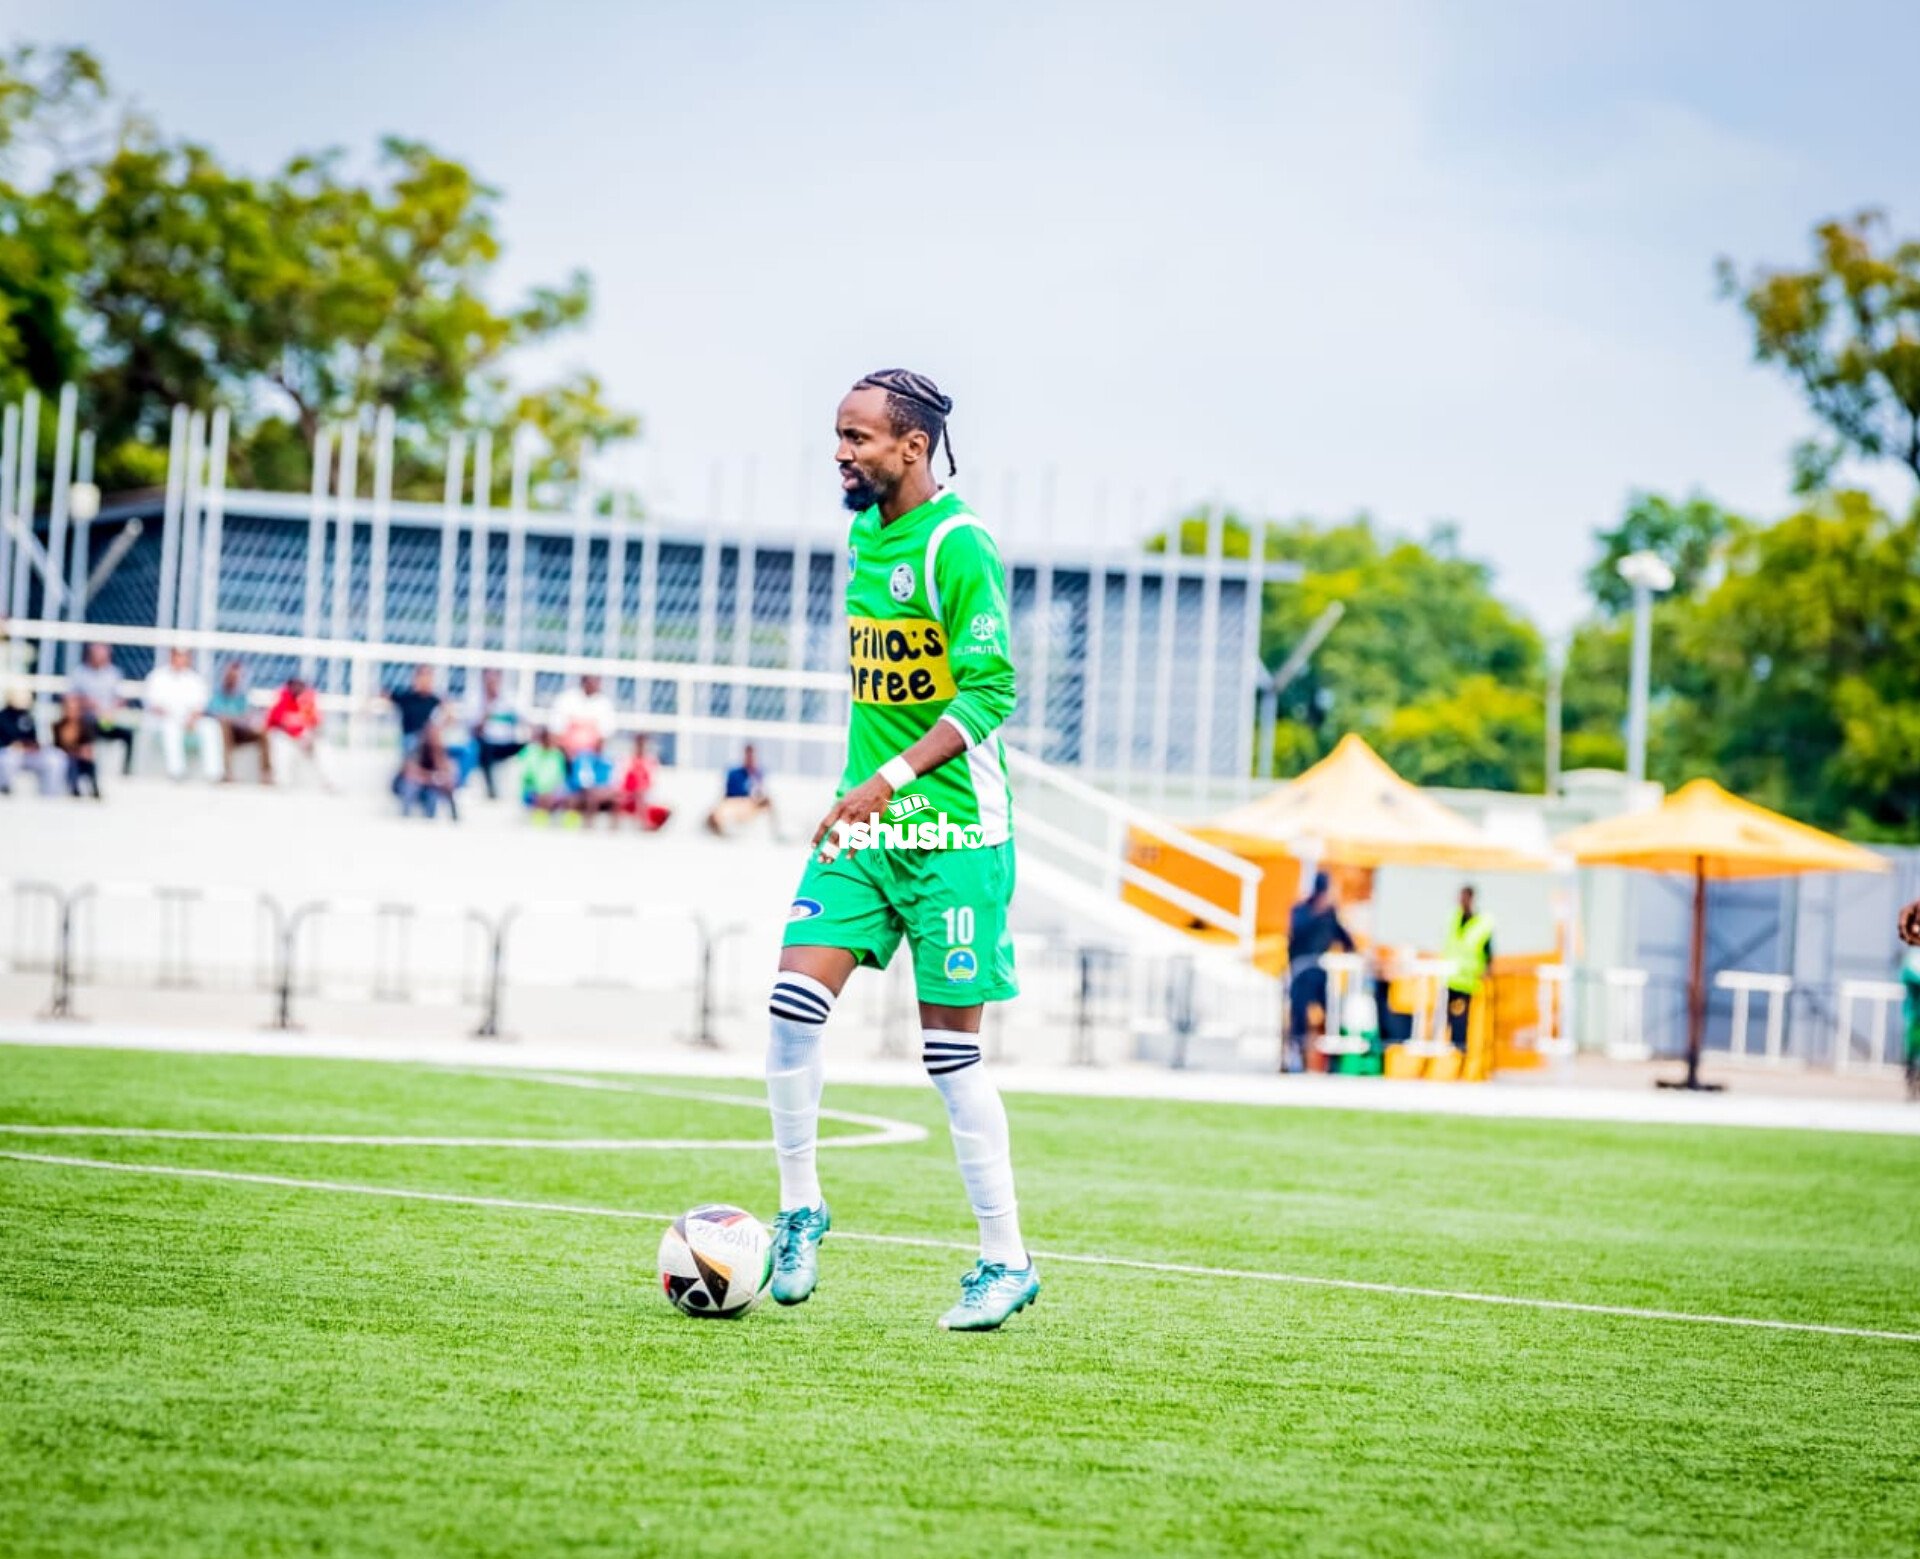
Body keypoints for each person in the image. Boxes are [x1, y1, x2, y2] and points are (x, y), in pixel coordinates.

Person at [766, 369, 1036, 1332]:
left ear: (912, 446)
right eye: (838, 435)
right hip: (866, 829)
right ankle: (800, 1207)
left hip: (955, 832)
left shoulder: (958, 545)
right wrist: (869, 790)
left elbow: (992, 692)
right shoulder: (863, 537)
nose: (840, 452)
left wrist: (889, 778)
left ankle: (1005, 1258)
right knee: (792, 1006)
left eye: (858, 437)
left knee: (950, 1056)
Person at [1286, 871, 1356, 1070]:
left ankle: (1333, 1060)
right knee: (1299, 1015)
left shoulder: (1330, 914)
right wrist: (1318, 913)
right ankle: (1296, 1057)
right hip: (1302, 973)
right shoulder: (1301, 911)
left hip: (1322, 973)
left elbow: (1345, 939)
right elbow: (1297, 934)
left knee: (1333, 1012)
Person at [142, 647, 224, 783]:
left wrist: (191, 719)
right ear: (172, 656)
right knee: (170, 727)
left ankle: (214, 773)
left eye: (184, 656)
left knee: (211, 726)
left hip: (190, 720)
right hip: (164, 719)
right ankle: (176, 771)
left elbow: (200, 706)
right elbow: (153, 704)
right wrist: (174, 717)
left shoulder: (195, 679)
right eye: (178, 656)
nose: (181, 659)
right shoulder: (157, 677)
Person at [70, 641, 137, 775]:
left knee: (128, 734)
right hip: (87, 719)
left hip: (107, 719)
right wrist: (89, 704)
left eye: (103, 654)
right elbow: (70, 698)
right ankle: (88, 774)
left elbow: (121, 698)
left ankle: (126, 771)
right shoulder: (80, 673)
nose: (101, 657)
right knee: (86, 732)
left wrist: (111, 710)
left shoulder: (114, 673)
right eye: (97, 653)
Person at [1444, 884, 1496, 1053]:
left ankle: (1461, 1052)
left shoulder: (1481, 924)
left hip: (1467, 981)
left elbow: (1488, 953)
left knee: (1461, 1021)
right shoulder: (1454, 919)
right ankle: (1453, 1053)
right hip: (1449, 979)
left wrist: (1487, 971)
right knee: (1448, 1020)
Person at [459, 667, 525, 799]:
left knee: (528, 746)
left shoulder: (509, 698)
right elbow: (475, 730)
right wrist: (489, 706)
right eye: (489, 678)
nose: (492, 682)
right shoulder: (475, 699)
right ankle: (491, 790)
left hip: (506, 743)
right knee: (483, 748)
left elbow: (524, 720)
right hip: (486, 744)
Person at [208, 661, 273, 783]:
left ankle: (266, 773)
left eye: (236, 677)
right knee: (225, 727)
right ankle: (227, 772)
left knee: (263, 732)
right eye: (230, 677)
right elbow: (215, 714)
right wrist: (234, 718)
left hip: (241, 730)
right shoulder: (217, 695)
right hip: (226, 732)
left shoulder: (242, 697)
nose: (233, 680)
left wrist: (237, 719)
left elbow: (247, 715)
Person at [265, 676, 331, 790]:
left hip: (303, 737)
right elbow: (274, 722)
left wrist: (308, 736)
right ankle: (281, 781)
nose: (297, 689)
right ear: (289, 687)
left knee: (322, 749)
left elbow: (315, 723)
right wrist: (294, 731)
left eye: (300, 686)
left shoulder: (308, 699)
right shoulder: (281, 698)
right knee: (282, 748)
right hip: (284, 736)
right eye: (295, 686)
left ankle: (328, 783)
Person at [0, 684, 61, 795]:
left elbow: (34, 738)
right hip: (10, 754)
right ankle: (5, 791)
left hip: (28, 754)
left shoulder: (29, 715)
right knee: (7, 759)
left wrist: (33, 745)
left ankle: (50, 795)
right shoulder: (2, 717)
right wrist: (13, 746)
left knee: (55, 759)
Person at [705, 742, 777, 836]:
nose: (750, 758)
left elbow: (760, 794)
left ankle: (776, 832)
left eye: (752, 756)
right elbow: (727, 793)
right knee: (718, 813)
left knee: (767, 801)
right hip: (734, 801)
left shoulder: (758, 774)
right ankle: (719, 828)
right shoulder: (734, 773)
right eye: (748, 755)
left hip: (749, 803)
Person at [397, 722, 460, 821]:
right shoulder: (416, 747)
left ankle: (450, 816)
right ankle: (405, 817)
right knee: (410, 786)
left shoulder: (440, 750)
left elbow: (448, 772)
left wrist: (437, 755)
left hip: (429, 785)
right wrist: (431, 777)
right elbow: (410, 772)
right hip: (411, 784)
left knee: (435, 793)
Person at [551, 674, 616, 757]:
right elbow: (557, 729)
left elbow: (605, 733)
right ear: (584, 681)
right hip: (565, 753)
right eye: (591, 680)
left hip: (592, 755)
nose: (594, 683)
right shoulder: (568, 699)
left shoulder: (604, 703)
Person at [618, 734, 672, 831]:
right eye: (639, 744)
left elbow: (650, 783)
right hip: (629, 797)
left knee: (666, 809)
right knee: (639, 795)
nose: (641, 746)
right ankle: (646, 824)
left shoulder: (649, 761)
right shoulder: (628, 760)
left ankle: (649, 826)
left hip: (643, 797)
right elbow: (622, 781)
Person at [51, 693, 101, 798]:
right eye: (69, 708)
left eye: (74, 709)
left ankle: (94, 789)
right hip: (66, 758)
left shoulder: (85, 726)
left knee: (88, 761)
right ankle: (74, 789)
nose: (71, 711)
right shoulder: (58, 726)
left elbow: (88, 745)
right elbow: (56, 746)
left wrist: (83, 751)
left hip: (81, 758)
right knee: (71, 761)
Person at [387, 664, 444, 755]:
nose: (426, 681)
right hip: (410, 739)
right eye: (423, 676)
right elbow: (385, 696)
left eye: (428, 677)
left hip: (428, 740)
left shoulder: (435, 701)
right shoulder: (406, 698)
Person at [517, 726, 573, 816]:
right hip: (534, 792)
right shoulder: (530, 753)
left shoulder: (557, 754)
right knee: (539, 798)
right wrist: (540, 792)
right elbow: (527, 778)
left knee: (569, 798)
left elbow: (561, 778)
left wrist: (552, 792)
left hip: (553, 792)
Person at [566, 739, 621, 825]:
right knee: (591, 798)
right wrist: (590, 787)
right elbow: (583, 778)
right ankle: (588, 825)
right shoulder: (586, 759)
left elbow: (611, 780)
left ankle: (614, 828)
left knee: (616, 798)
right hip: (588, 790)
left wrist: (605, 789)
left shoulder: (607, 761)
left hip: (603, 790)